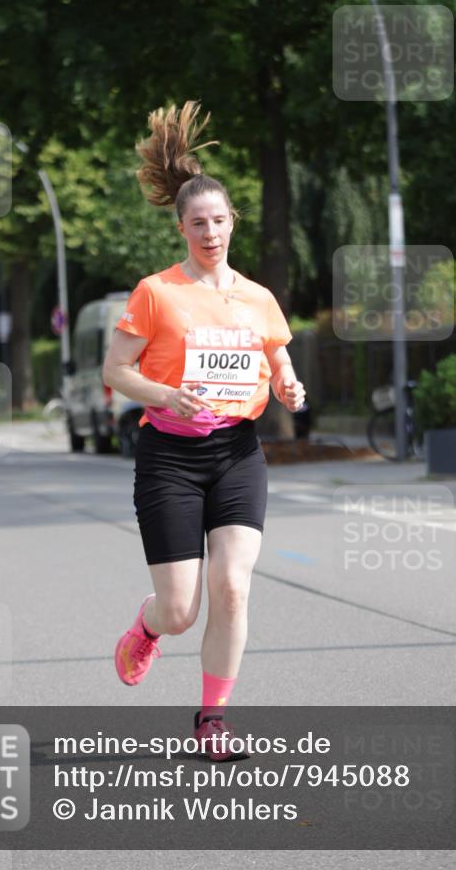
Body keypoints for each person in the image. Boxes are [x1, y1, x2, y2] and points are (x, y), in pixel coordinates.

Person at [102, 102, 306, 761]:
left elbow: (276, 353)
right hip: (168, 457)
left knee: (233, 584)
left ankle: (212, 719)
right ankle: (147, 627)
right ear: (182, 227)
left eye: (219, 220)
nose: (210, 231)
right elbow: (116, 370)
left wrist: (287, 383)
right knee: (182, 609)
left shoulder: (257, 296)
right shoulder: (155, 293)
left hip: (236, 453)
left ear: (231, 223)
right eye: (198, 222)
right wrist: (168, 395)